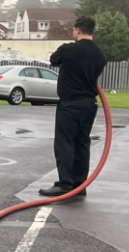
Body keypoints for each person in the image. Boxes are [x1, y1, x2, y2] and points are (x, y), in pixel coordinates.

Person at [39, 15, 108, 198]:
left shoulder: (68, 50)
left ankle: (65, 183)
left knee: (64, 143)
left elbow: (54, 60)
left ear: (77, 30)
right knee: (82, 143)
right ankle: (80, 184)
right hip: (89, 104)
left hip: (70, 104)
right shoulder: (100, 54)